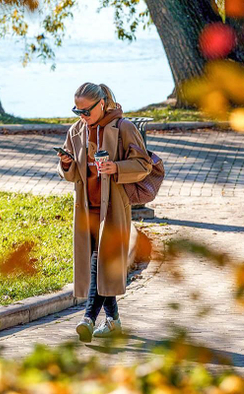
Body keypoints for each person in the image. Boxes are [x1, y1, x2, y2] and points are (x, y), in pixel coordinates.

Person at [57, 82, 152, 342]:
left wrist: (116, 168)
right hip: (86, 211)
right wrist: (65, 164)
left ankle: (88, 317)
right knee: (98, 266)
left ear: (101, 104)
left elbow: (143, 164)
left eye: (86, 111)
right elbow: (72, 174)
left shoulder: (124, 128)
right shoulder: (76, 131)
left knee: (100, 262)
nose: (82, 117)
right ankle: (113, 321)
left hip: (112, 210)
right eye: (77, 111)